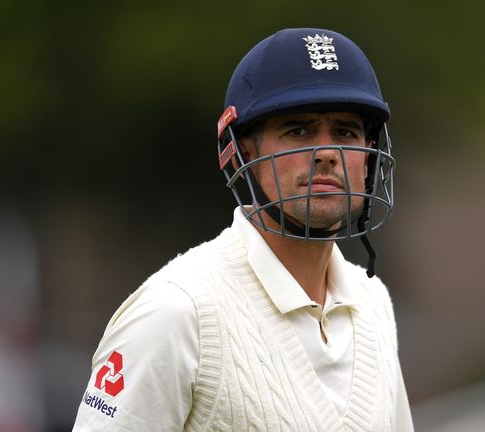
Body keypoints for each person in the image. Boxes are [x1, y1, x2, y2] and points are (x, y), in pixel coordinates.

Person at [72, 27, 413, 431]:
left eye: (345, 131)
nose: (326, 153)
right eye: (298, 130)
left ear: (369, 154)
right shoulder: (177, 313)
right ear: (243, 151)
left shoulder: (374, 303)